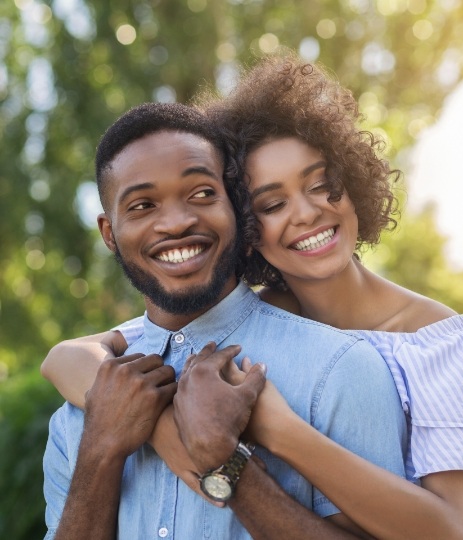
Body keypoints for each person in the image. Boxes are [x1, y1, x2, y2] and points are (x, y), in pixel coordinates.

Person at [42, 56, 463, 539]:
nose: (306, 214)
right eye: (273, 204)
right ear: (247, 226)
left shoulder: (428, 343)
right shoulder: (257, 320)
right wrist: (146, 419)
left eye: (323, 184)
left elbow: (453, 532)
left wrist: (272, 433)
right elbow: (84, 354)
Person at [42, 101, 408, 539]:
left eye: (201, 194)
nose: (177, 223)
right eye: (142, 205)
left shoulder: (341, 371)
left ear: (236, 208)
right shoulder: (77, 414)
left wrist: (230, 464)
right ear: (109, 234)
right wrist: (101, 448)